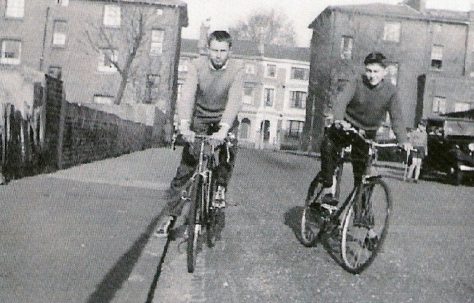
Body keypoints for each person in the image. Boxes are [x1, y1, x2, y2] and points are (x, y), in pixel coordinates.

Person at [155, 30, 244, 237]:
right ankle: (170, 216)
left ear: (229, 51)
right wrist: (185, 125)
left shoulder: (237, 69)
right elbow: (187, 95)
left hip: (225, 120)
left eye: (223, 51)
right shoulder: (197, 66)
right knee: (187, 166)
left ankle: (220, 189)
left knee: (228, 151)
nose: (218, 55)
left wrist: (223, 129)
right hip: (201, 118)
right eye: (214, 50)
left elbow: (234, 101)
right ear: (208, 50)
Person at [314, 52, 411, 210]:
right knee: (329, 145)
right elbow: (341, 101)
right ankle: (328, 188)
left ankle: (363, 219)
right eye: (369, 71)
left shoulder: (391, 92)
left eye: (376, 71)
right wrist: (338, 120)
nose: (372, 76)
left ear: (384, 72)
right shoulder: (357, 82)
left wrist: (403, 141)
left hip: (366, 134)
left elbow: (397, 118)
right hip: (347, 126)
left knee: (364, 177)